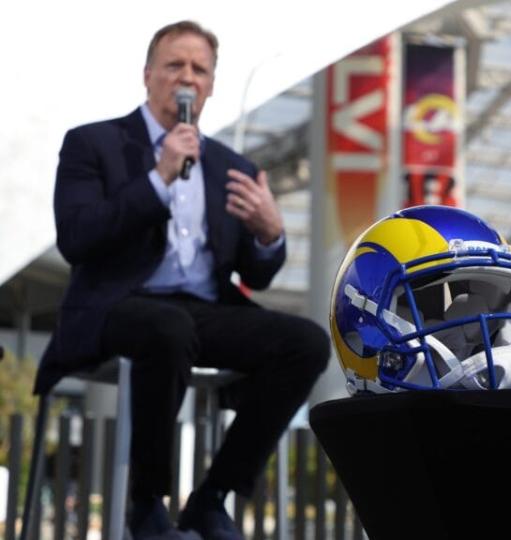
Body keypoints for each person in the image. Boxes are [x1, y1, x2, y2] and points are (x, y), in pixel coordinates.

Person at [35, 20, 329, 540]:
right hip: (116, 303)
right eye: (175, 65)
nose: (187, 77)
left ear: (212, 85)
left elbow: (255, 274)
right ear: (148, 76)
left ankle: (213, 498)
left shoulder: (228, 165)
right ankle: (147, 502)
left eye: (200, 69)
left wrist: (269, 234)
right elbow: (78, 238)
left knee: (304, 343)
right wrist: (158, 178)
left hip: (204, 306)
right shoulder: (94, 144)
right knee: (166, 328)